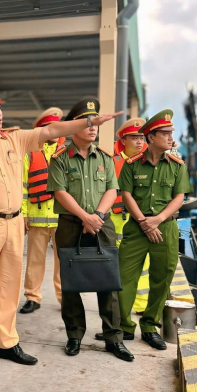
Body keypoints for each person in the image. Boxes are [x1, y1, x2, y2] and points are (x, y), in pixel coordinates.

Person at [0, 83, 121, 377]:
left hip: (15, 222)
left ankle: (7, 343)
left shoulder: (15, 139)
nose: (0, 113)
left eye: (0, 108)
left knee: (10, 287)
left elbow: (50, 131)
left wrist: (89, 121)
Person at [47, 99, 133, 361]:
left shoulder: (105, 157)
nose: (93, 127)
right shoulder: (60, 159)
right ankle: (74, 336)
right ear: (74, 127)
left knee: (108, 279)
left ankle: (114, 338)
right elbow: (60, 192)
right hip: (71, 224)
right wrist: (84, 216)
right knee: (71, 283)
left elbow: (111, 188)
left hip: (101, 222)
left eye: (95, 122)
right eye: (87, 122)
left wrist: (96, 216)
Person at [117, 109, 193, 350]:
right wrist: (143, 222)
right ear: (151, 137)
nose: (171, 138)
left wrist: (157, 219)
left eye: (172, 133)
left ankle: (150, 327)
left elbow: (179, 197)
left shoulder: (177, 165)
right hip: (137, 228)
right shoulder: (131, 165)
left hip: (166, 228)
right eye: (166, 133)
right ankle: (123, 326)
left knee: (161, 280)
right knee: (124, 278)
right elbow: (126, 194)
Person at [95, 117, 146, 343]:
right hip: (114, 221)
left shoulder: (149, 162)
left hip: (138, 222)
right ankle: (117, 320)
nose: (138, 142)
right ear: (123, 140)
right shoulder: (109, 161)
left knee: (142, 270)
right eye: (134, 137)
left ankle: (140, 310)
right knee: (112, 271)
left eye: (141, 137)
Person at [20, 107, 65, 314]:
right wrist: (24, 214)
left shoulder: (67, 153)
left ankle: (66, 298)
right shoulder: (30, 153)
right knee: (34, 260)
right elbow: (23, 186)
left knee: (64, 261)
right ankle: (32, 296)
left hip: (62, 217)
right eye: (48, 127)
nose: (51, 131)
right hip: (36, 216)